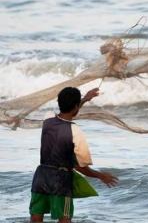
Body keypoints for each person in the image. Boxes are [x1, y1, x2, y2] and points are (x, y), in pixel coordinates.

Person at [29, 87, 118, 223]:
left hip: (40, 176)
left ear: (59, 103)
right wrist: (101, 176)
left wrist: (84, 100)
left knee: (36, 218)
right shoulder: (76, 131)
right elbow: (81, 167)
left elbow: (69, 111)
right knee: (65, 218)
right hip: (60, 182)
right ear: (76, 106)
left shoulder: (47, 120)